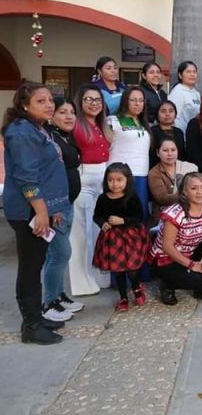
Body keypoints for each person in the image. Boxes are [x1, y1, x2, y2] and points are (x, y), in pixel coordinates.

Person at [3, 83, 70, 344]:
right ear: (24, 105)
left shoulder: (37, 128)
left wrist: (52, 210)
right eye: (41, 101)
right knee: (30, 267)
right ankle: (31, 326)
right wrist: (42, 212)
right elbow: (27, 177)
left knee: (37, 262)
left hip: (44, 208)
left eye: (50, 100)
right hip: (28, 211)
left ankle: (37, 317)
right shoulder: (21, 133)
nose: (49, 105)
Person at [42, 98, 84, 321]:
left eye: (71, 112)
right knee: (60, 254)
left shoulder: (65, 136)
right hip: (54, 206)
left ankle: (59, 296)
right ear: (51, 116)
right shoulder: (48, 138)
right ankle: (48, 303)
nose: (69, 116)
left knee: (58, 255)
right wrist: (51, 206)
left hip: (66, 203)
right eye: (62, 112)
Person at [149, 172, 202, 305]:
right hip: (166, 258)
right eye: (194, 188)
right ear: (185, 192)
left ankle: (201, 287)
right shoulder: (175, 213)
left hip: (190, 251)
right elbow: (167, 247)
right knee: (196, 277)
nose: (200, 192)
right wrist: (192, 265)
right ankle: (168, 286)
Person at [70, 84, 111, 296]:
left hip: (102, 182)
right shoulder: (76, 125)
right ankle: (80, 282)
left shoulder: (101, 125)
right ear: (80, 101)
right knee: (81, 234)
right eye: (89, 99)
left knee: (97, 232)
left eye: (97, 100)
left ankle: (97, 275)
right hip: (84, 181)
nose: (94, 103)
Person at [92, 163, 151, 312]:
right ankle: (123, 297)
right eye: (111, 180)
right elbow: (97, 216)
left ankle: (136, 288)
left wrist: (123, 221)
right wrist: (103, 223)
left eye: (119, 180)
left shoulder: (132, 198)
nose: (115, 184)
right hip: (112, 240)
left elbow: (139, 217)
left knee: (131, 268)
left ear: (127, 180)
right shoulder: (103, 198)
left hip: (131, 238)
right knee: (117, 269)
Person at [107, 86, 152, 217]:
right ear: (125, 101)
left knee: (139, 215)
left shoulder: (144, 123)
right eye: (133, 100)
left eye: (141, 100)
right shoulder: (112, 121)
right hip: (120, 175)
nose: (137, 103)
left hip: (141, 174)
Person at [148, 138, 198, 219]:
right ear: (158, 153)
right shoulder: (154, 173)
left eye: (173, 150)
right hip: (166, 214)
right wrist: (185, 194)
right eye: (165, 150)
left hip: (191, 209)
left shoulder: (188, 167)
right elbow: (162, 198)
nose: (170, 154)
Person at [149, 100, 186, 168]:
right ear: (157, 114)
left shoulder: (179, 132)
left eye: (171, 111)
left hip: (177, 170)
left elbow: (182, 155)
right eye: (163, 111)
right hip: (157, 170)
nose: (167, 114)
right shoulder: (152, 131)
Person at [168, 61, 201, 133]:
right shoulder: (177, 93)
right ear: (180, 75)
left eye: (194, 72)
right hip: (182, 134)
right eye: (188, 72)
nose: (192, 74)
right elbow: (173, 118)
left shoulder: (196, 93)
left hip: (194, 134)